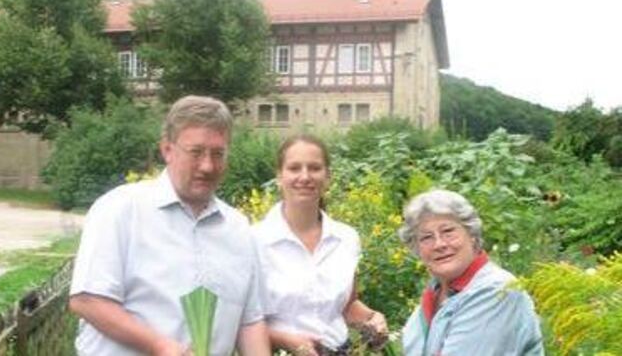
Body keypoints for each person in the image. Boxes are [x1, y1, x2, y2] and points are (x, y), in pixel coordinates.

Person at [68, 95, 271, 356]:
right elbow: (88, 300)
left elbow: (250, 321)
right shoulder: (121, 210)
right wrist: (160, 346)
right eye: (196, 152)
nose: (208, 166)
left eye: (218, 154)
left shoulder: (238, 228)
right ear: (167, 150)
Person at [252, 134, 388, 355]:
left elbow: (347, 305)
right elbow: (238, 320)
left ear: (327, 176)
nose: (305, 176)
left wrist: (373, 318)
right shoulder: (254, 241)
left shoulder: (347, 238)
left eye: (314, 168)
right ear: (279, 176)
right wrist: (285, 340)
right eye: (294, 168)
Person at [397, 189, 544, 355]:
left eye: (448, 232)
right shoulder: (436, 292)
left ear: (472, 235)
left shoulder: (496, 291)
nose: (439, 244)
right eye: (426, 237)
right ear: (416, 248)